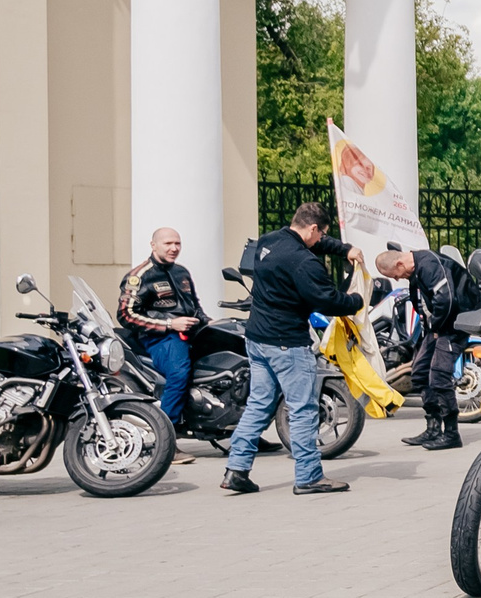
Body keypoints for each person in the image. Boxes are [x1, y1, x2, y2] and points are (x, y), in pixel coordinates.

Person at [226, 203, 364, 496]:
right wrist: (356, 300)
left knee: (258, 404)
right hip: (287, 343)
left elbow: (316, 241)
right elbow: (326, 301)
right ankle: (309, 476)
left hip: (257, 338)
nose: (319, 241)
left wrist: (344, 249)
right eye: (320, 235)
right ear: (313, 228)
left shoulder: (268, 241)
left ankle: (236, 469)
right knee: (302, 409)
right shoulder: (303, 262)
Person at [118, 227, 205, 462]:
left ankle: (238, 427)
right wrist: (169, 324)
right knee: (179, 373)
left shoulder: (182, 272)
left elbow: (195, 306)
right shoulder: (139, 276)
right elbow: (126, 314)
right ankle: (165, 440)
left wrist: (211, 323)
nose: (173, 248)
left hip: (190, 331)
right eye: (167, 243)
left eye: (177, 243)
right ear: (153, 245)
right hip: (160, 337)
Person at [378, 246, 469, 450]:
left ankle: (452, 434)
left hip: (455, 324)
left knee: (438, 375)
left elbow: (446, 300)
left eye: (396, 274)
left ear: (400, 264)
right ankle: (433, 428)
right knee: (419, 372)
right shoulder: (416, 271)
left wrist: (436, 328)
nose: (399, 278)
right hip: (437, 326)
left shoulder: (429, 265)